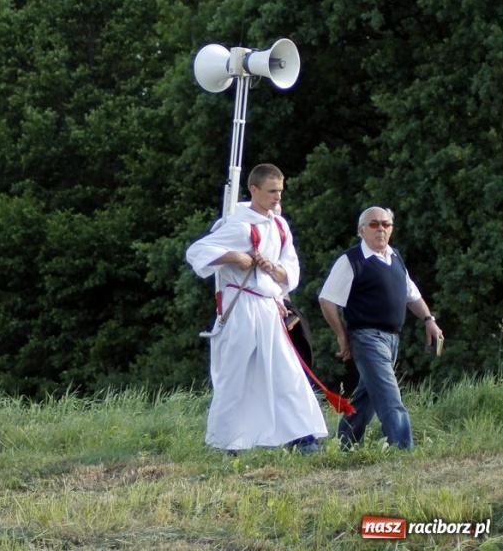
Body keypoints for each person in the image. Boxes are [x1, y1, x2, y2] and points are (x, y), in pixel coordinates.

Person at [186, 164, 328, 452]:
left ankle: (302, 439)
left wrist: (274, 270)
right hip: (241, 309)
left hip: (269, 308)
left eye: (280, 191)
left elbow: (291, 268)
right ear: (254, 190)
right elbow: (197, 252)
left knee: (286, 373)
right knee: (235, 376)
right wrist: (234, 256)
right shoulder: (237, 224)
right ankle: (228, 444)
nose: (278, 197)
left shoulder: (279, 224)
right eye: (272, 191)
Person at [319, 206, 444, 450]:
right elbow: (327, 299)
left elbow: (412, 296)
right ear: (361, 230)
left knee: (367, 398)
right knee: (389, 397)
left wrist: (429, 319)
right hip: (366, 337)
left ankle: (343, 444)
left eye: (386, 224)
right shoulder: (351, 260)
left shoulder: (394, 257)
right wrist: (341, 335)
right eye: (374, 224)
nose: (381, 229)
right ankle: (403, 450)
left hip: (392, 339)